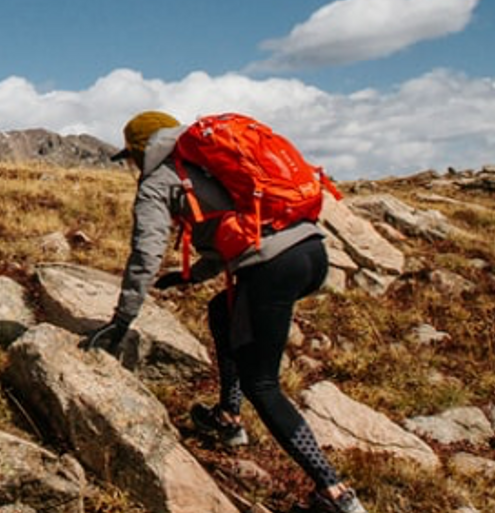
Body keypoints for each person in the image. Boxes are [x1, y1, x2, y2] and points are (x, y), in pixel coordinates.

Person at [83, 111, 368, 513]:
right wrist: (189, 277)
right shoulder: (205, 161)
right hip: (311, 252)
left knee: (263, 384)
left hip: (272, 266)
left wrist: (121, 321)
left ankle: (334, 492)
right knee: (223, 310)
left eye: (130, 157)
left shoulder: (157, 180)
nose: (130, 166)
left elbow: (144, 255)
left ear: (139, 150)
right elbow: (232, 233)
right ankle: (228, 418)